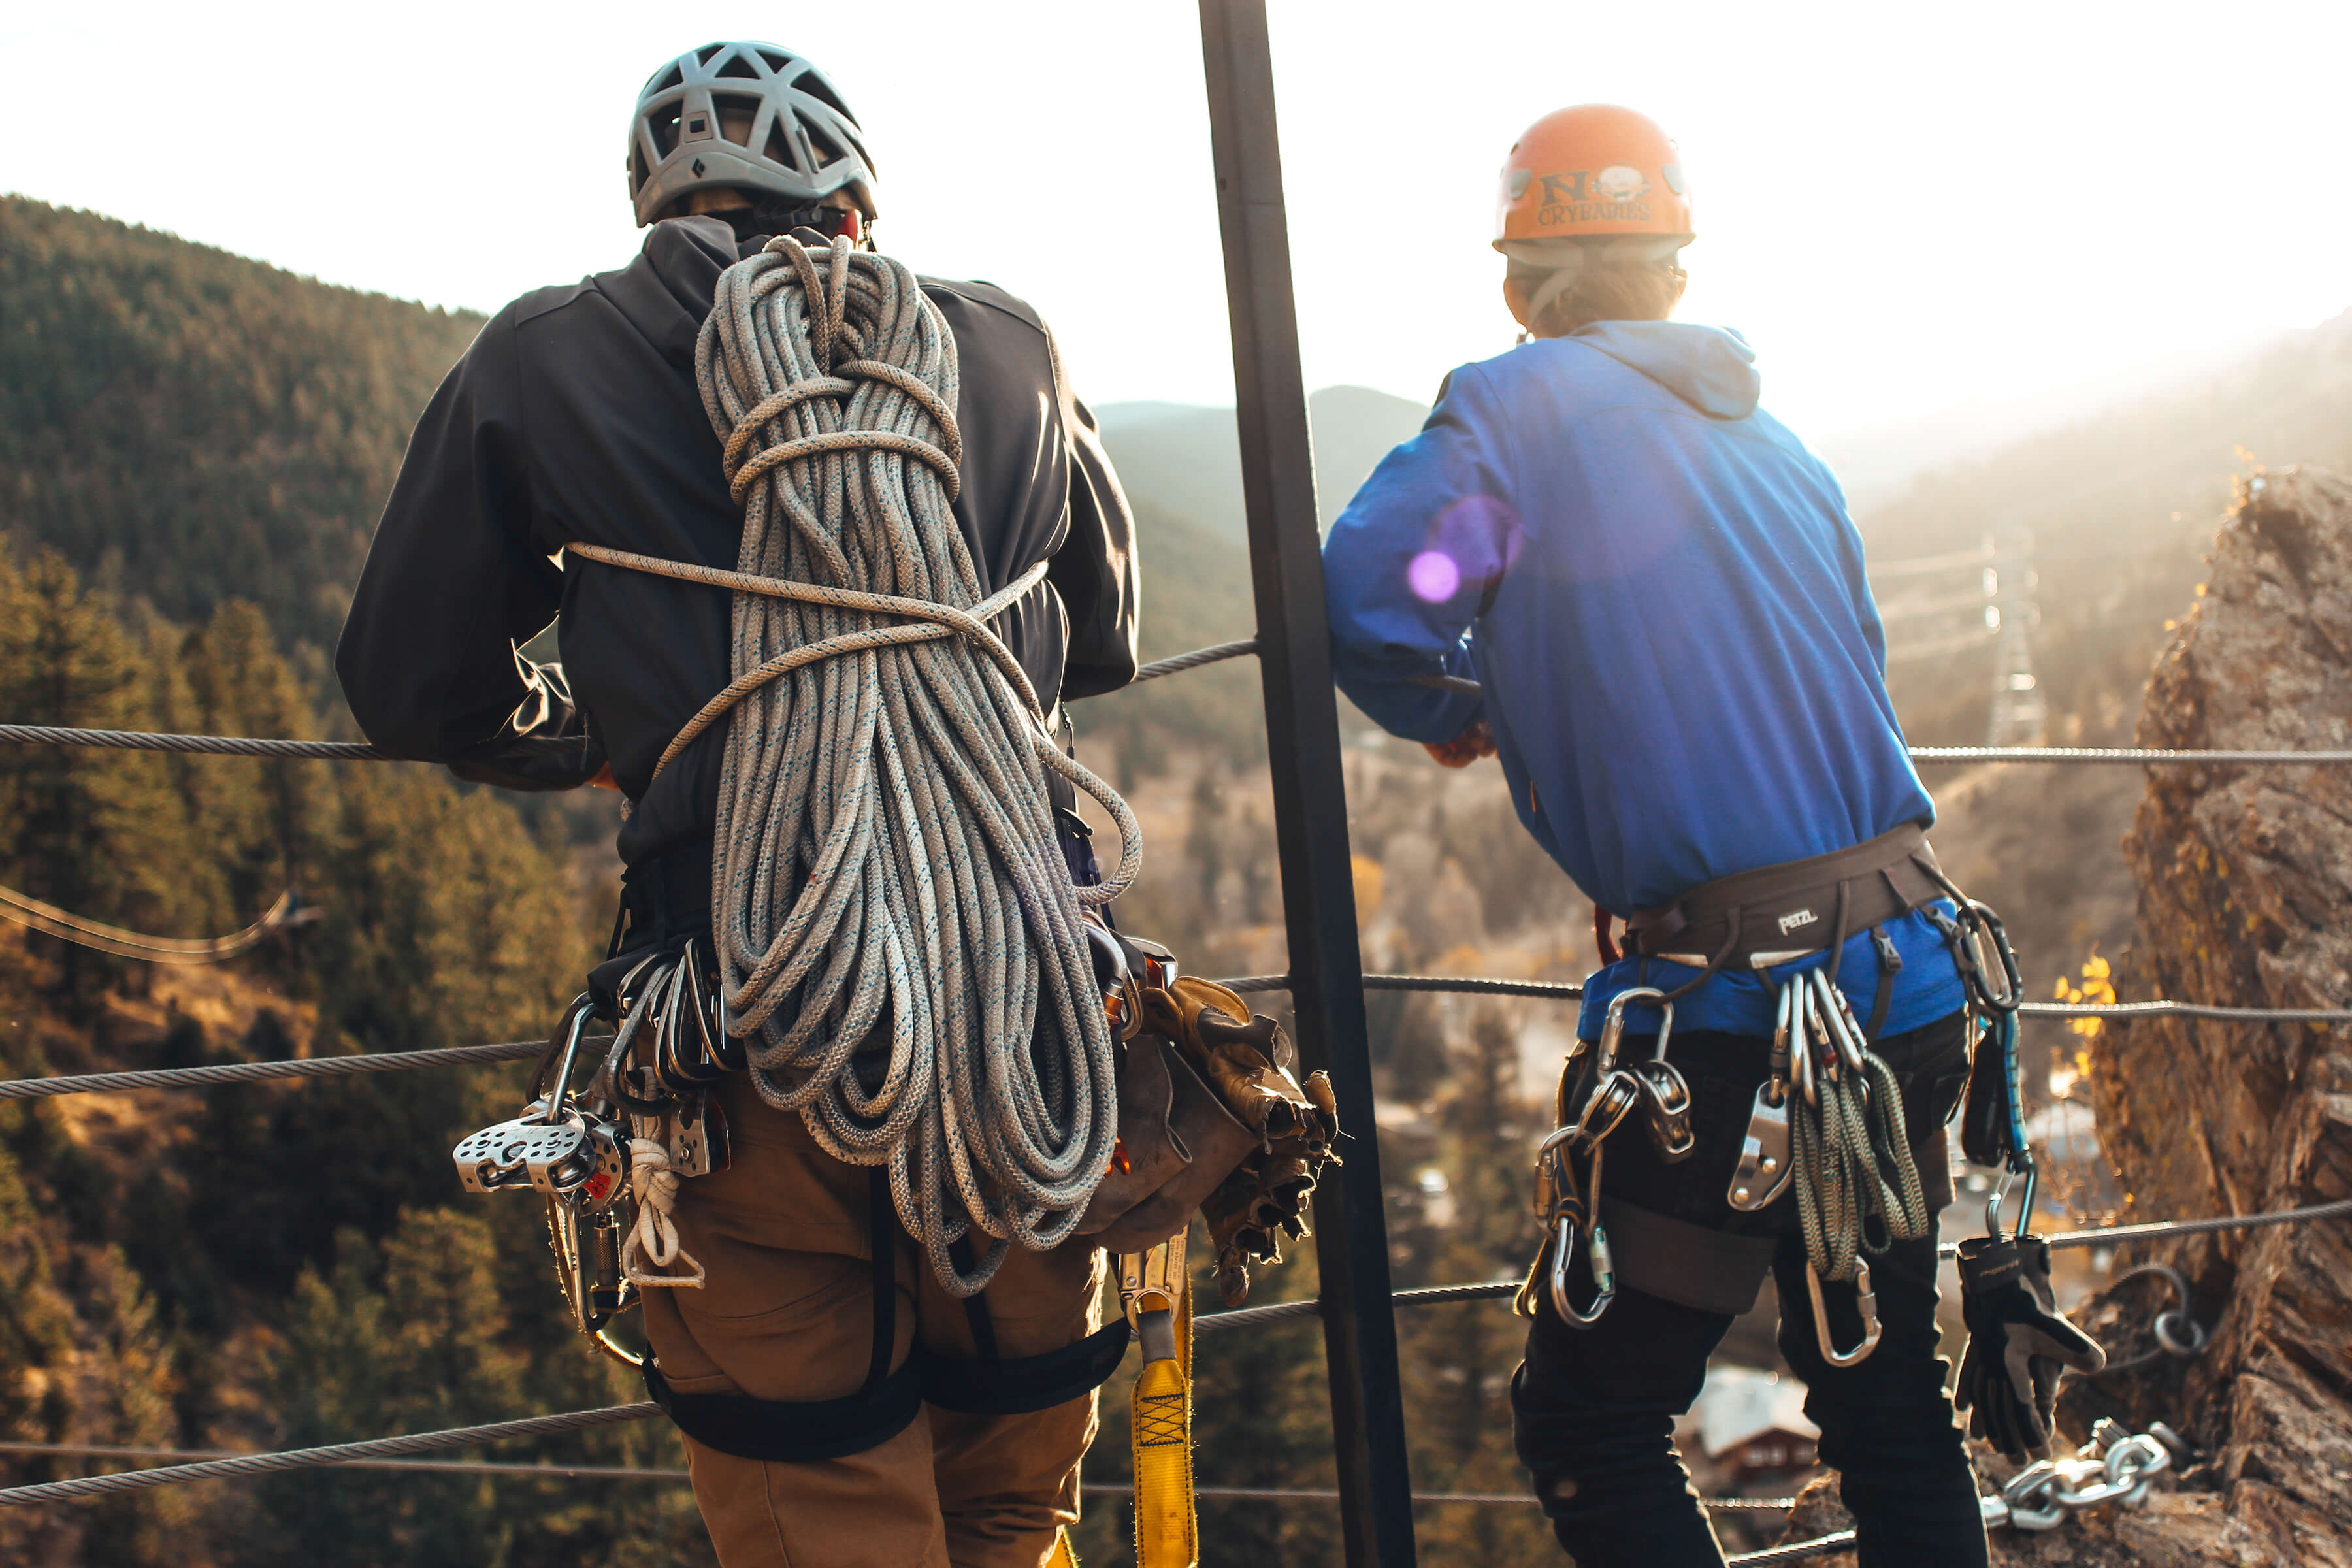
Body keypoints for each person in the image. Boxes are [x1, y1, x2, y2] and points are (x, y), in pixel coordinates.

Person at [337, 41, 1138, 1568]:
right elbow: (1095, 636)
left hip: (756, 1020)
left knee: (821, 1507)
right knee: (1011, 1502)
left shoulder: (548, 357)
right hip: (1020, 1023)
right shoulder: (1009, 344)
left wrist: (588, 733)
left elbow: (411, 679)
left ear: (654, 200)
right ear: (853, 196)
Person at [1320, 106, 1994, 1567]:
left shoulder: (1514, 409)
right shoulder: (1779, 440)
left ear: (1522, 282)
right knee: (1887, 1407)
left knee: (1596, 1429)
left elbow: (1377, 595)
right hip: (1908, 976)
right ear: (1673, 270)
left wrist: (1458, 695)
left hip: (1731, 1022)